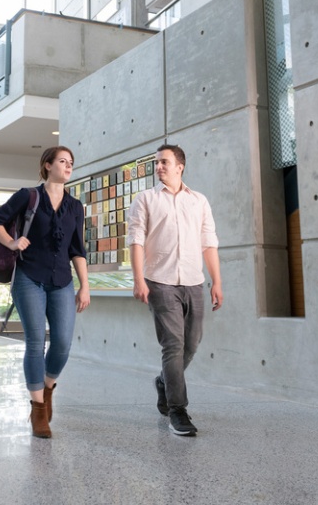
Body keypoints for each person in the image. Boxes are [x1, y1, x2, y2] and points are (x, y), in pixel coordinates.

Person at [0, 146, 90, 438]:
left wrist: (85, 286)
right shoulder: (28, 196)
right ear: (47, 165)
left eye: (71, 163)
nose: (68, 167)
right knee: (34, 343)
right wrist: (12, 242)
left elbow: (77, 249)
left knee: (63, 344)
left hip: (62, 282)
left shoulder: (75, 207)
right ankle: (38, 410)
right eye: (62, 161)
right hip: (29, 277)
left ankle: (48, 386)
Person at [127, 144, 223, 436]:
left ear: (180, 166)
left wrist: (216, 281)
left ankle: (164, 382)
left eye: (164, 162)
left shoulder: (199, 201)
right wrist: (139, 279)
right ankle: (177, 410)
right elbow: (136, 241)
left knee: (191, 344)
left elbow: (209, 243)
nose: (159, 167)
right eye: (157, 163)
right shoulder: (145, 199)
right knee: (173, 345)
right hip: (160, 281)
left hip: (194, 281)